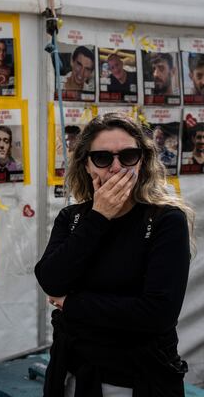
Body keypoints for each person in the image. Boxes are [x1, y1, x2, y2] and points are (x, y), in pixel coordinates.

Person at [35, 113, 193, 396]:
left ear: (142, 160)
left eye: (128, 156)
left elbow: (157, 314)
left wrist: (72, 304)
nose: (116, 168)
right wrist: (98, 217)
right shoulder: (72, 217)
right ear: (86, 164)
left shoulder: (166, 220)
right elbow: (50, 280)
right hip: (71, 373)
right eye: (103, 158)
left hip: (136, 378)